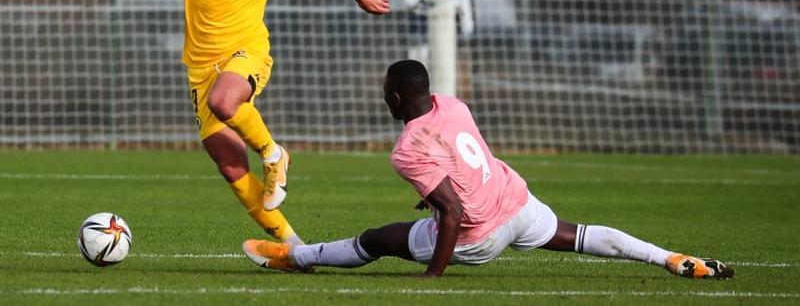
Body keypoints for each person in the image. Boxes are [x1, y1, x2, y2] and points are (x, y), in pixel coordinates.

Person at [243, 59, 735, 278]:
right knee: (581, 235)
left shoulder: (406, 148)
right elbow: (459, 158)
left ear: (395, 99)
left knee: (378, 240)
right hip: (517, 202)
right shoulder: (450, 103)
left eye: (384, 93)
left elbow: (452, 212)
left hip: (477, 234)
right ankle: (668, 257)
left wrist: (433, 275)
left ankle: (300, 258)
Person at [123, 0, 390, 245]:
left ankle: (273, 153)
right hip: (200, 63)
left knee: (224, 101)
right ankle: (292, 247)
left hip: (247, 50)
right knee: (230, 165)